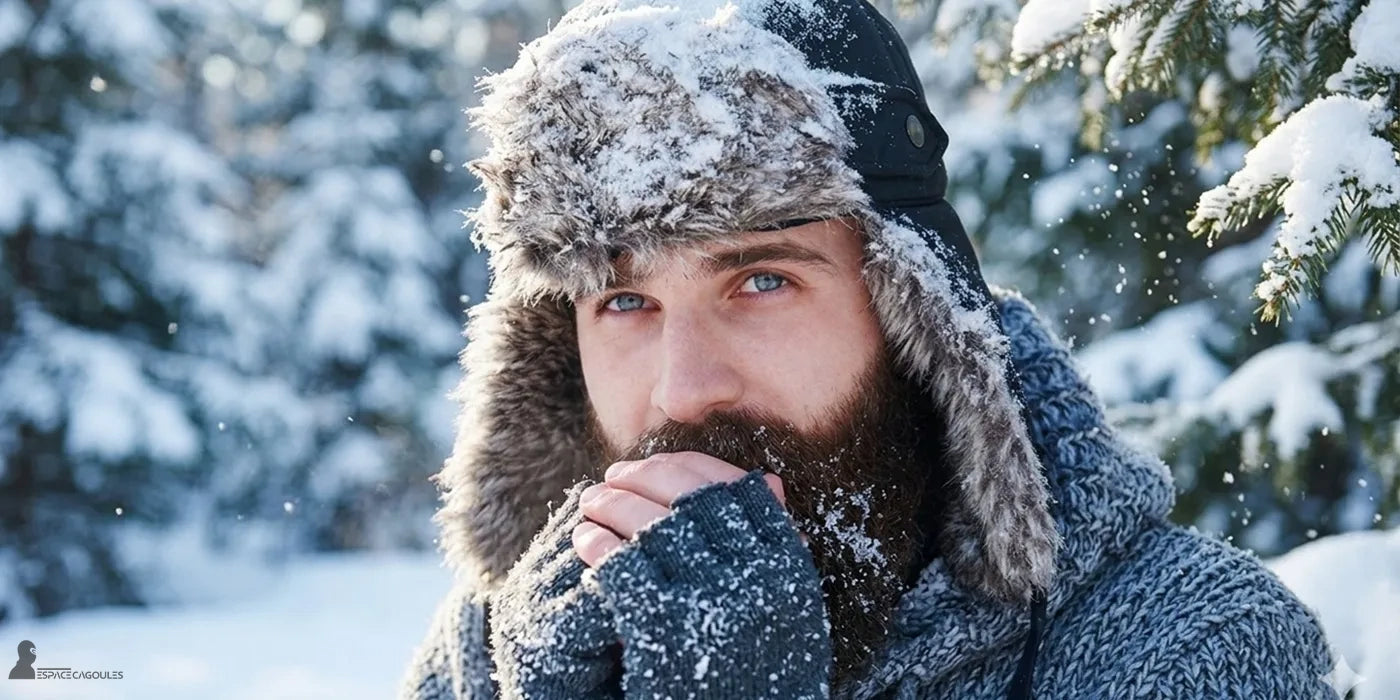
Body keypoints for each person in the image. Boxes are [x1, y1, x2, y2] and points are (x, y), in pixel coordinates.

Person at [398, 1, 1337, 697]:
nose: (684, 392)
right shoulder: (501, 645)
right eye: (626, 299)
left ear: (909, 311)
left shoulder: (1190, 645)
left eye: (762, 281)